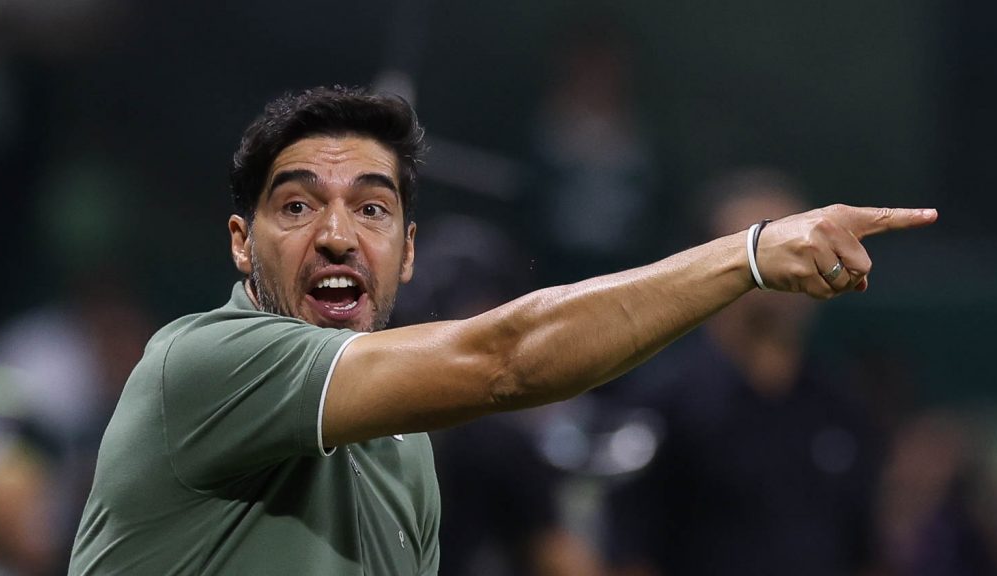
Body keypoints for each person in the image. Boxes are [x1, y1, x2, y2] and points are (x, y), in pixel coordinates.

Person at [69, 86, 937, 575]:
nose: (336, 233)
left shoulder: (403, 445)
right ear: (238, 243)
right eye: (296, 205)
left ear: (406, 254)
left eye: (372, 208)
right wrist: (745, 257)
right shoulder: (202, 362)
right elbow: (506, 360)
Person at [604, 168, 882, 576]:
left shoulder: (841, 405)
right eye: (770, 249)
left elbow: (866, 552)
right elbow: (628, 554)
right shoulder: (662, 405)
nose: (796, 264)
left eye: (807, 247)